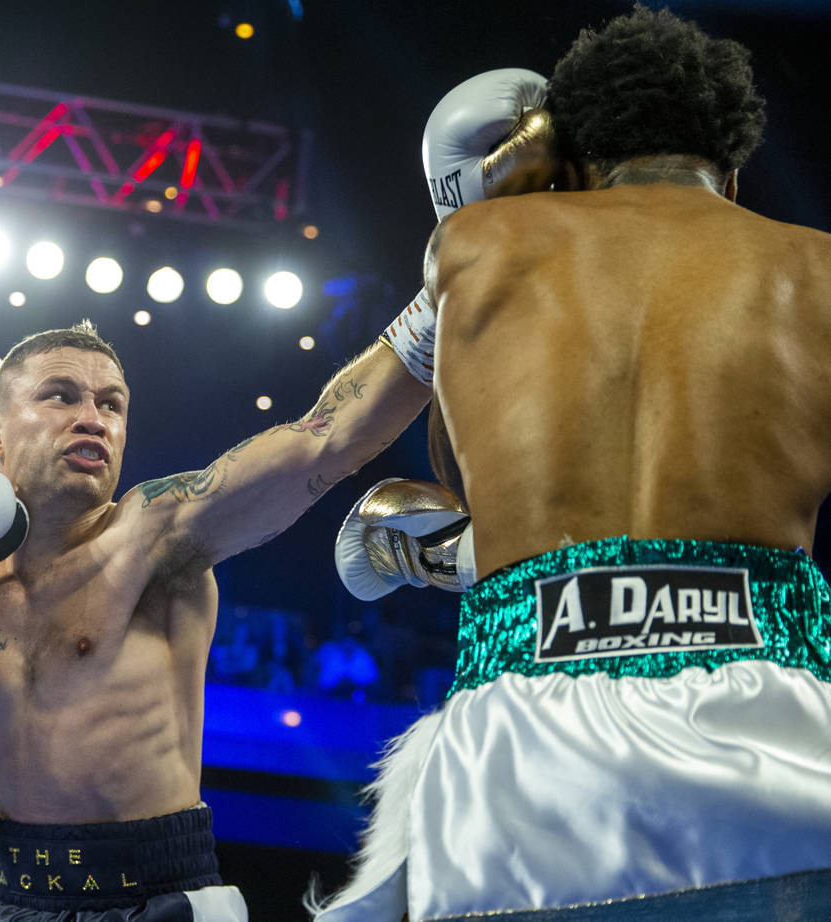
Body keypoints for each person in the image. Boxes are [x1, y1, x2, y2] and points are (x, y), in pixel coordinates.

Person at [313, 5, 831, 921]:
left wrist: (486, 207)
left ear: (574, 162)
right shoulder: (818, 272)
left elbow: (354, 433)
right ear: (735, 168)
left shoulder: (476, 247)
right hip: (784, 758)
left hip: (528, 766)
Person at [0, 309, 432, 921]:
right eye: (60, 397)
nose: (92, 418)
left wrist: (442, 301)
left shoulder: (157, 535)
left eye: (111, 405)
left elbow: (325, 439)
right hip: (8, 894)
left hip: (154, 897)